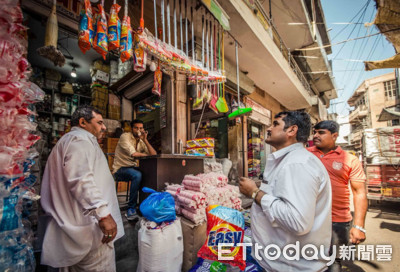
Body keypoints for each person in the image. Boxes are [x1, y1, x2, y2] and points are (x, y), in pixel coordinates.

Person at [239, 111, 332, 271]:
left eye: (275, 124)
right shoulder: (290, 160)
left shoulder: (297, 164)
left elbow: (297, 222)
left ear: (291, 130)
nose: (268, 128)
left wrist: (254, 193)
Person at [40, 105, 124, 271]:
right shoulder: (80, 140)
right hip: (89, 231)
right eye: (99, 122)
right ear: (83, 122)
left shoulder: (69, 141)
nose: (104, 127)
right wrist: (103, 215)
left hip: (75, 230)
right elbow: (80, 179)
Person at [308, 120, 367, 271]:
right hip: (308, 219)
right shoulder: (306, 154)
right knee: (306, 260)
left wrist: (359, 226)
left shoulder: (350, 159)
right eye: (314, 132)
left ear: (334, 136)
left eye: (321, 132)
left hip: (337, 221)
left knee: (333, 263)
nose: (315, 135)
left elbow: (359, 192)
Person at [112, 119, 157, 220]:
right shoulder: (125, 137)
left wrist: (145, 140)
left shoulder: (141, 141)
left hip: (132, 168)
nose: (139, 130)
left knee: (147, 173)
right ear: (132, 129)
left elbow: (154, 155)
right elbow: (133, 154)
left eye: (141, 128)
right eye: (136, 128)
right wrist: (146, 155)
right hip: (120, 169)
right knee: (137, 175)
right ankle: (131, 209)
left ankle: (143, 203)